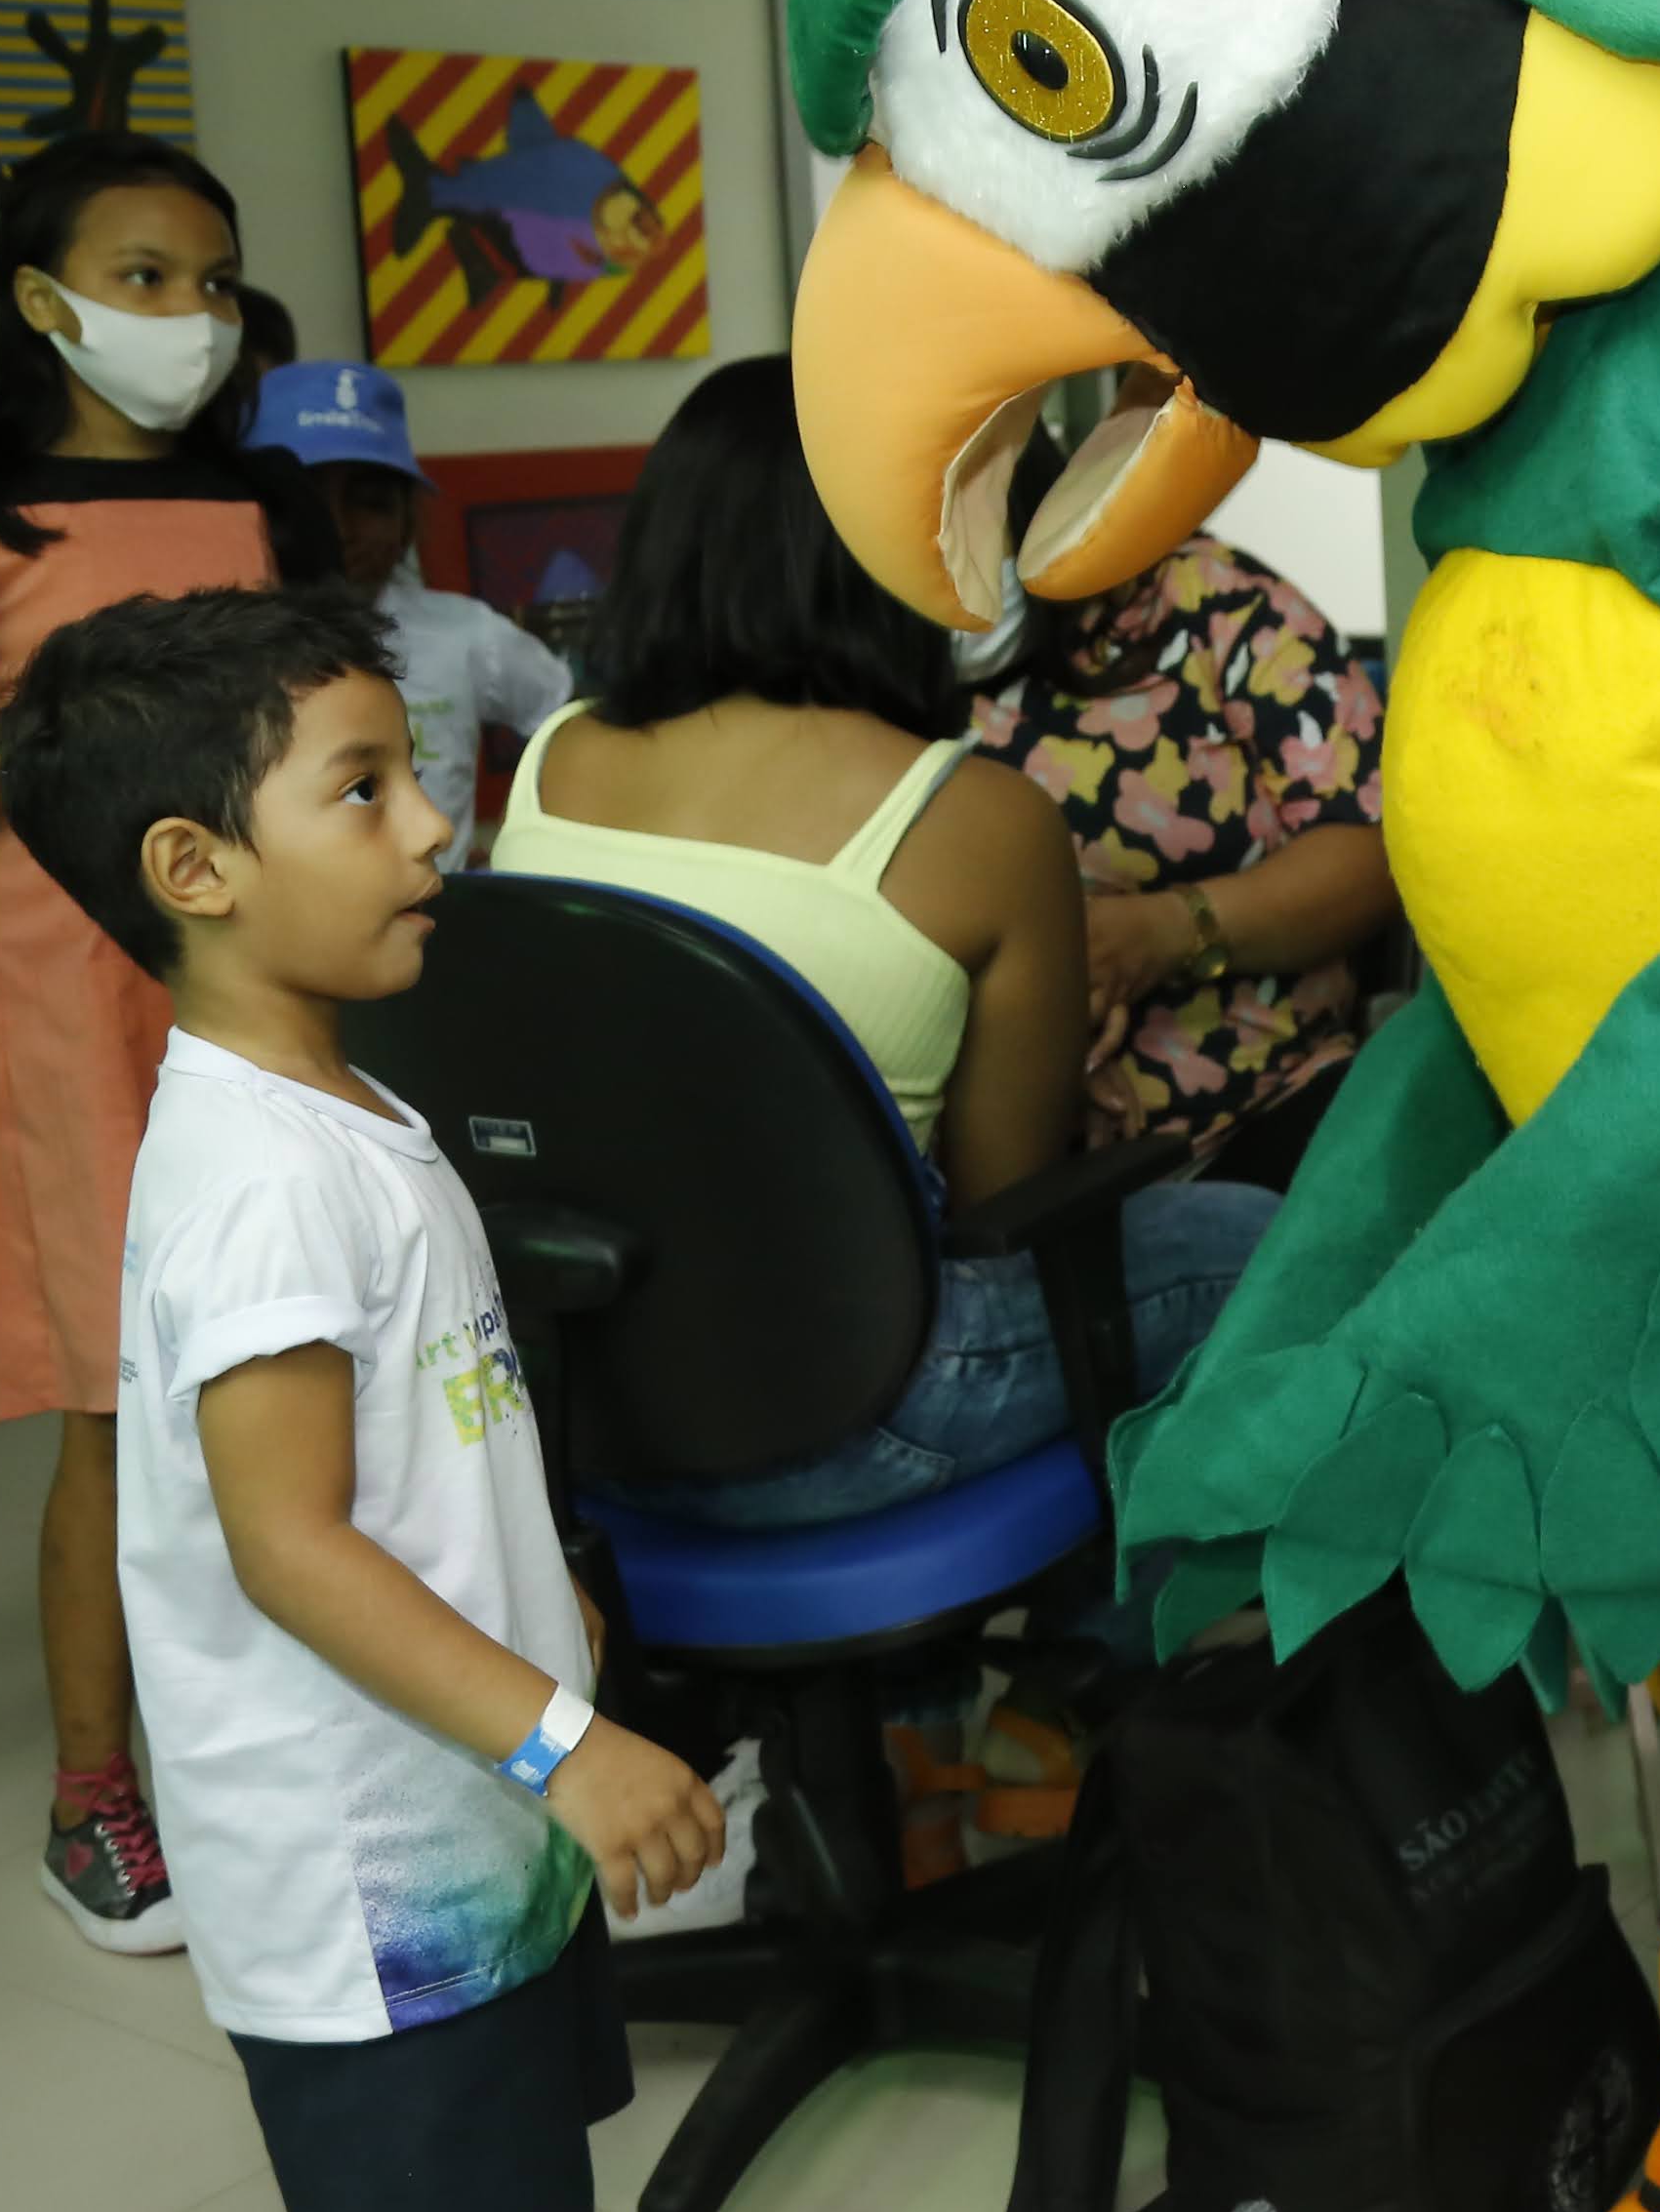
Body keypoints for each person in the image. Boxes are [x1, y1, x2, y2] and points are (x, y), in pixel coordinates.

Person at [0, 582, 721, 2212]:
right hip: (376, 1892)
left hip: (450, 1827)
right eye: (364, 788)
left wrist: (541, 1593)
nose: (428, 824)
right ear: (196, 866)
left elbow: (411, 1445)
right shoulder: (261, 1187)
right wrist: (566, 1740)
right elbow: (288, 1540)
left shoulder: (332, 1108)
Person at [490, 358, 1275, 1523]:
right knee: (1272, 1246)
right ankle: (1114, 1657)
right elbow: (1005, 1204)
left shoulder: (554, 758)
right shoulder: (977, 819)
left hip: (571, 1412)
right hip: (845, 1421)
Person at [0, 131, 326, 1954]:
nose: (189, 318)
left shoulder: (267, 495)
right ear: (42, 301)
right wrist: (114, 747)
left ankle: (277, 1734)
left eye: (210, 282)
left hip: (266, 981)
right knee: (120, 1415)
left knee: (297, 1372)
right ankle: (92, 1790)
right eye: (145, 280)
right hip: (77, 1008)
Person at [976, 375, 1395, 1190]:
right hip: (1010, 1144)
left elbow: (1372, 847)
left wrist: (1164, 932)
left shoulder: (1212, 610)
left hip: (1263, 1103)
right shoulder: (863, 670)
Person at [242, 359, 568, 858]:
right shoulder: (222, 645)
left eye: (369, 502)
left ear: (407, 525)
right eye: (305, 501)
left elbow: (565, 720)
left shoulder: (466, 635)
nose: (338, 529)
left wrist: (520, 843)